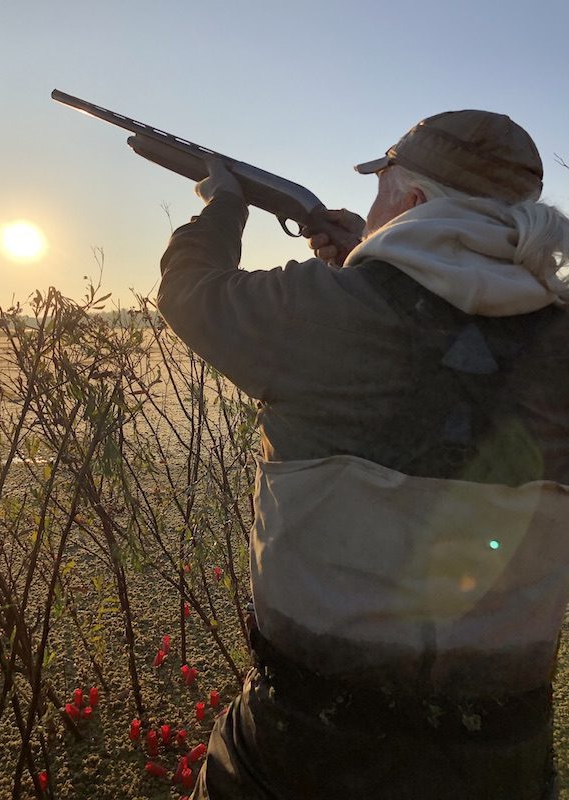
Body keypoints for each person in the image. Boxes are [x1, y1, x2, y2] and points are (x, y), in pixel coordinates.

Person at [156, 110, 569, 799]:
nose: (372, 204)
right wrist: (367, 261)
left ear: (409, 200)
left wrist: (222, 203)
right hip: (502, 758)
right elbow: (453, 335)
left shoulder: (325, 311)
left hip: (303, 751)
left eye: (384, 189)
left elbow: (189, 292)